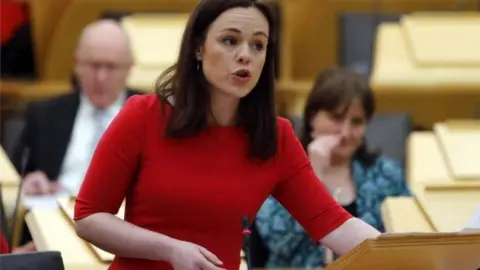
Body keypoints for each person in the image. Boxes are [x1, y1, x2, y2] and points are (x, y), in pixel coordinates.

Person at [73, 1, 381, 270]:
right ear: (198, 47)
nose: (245, 55)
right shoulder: (143, 115)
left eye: (258, 45)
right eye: (230, 41)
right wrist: (169, 249)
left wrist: (411, 254)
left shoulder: (276, 137)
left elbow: (334, 224)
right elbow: (89, 217)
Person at [256, 68, 411, 268]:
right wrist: (314, 174)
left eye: (356, 122)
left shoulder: (386, 174)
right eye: (336, 118)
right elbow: (278, 242)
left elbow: (409, 238)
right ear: (312, 117)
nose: (345, 132)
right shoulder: (280, 168)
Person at [12, 19, 141, 246]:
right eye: (93, 65)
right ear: (76, 65)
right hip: (52, 228)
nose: (101, 77)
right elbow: (15, 180)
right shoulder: (44, 114)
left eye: (111, 67)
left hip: (123, 232)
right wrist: (28, 183)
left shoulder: (152, 115)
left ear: (129, 68)